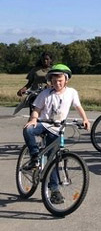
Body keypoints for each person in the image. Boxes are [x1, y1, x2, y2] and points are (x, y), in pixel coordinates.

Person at [22, 64, 90, 204]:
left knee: (52, 160)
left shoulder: (71, 92)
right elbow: (37, 109)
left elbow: (78, 106)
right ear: (50, 81)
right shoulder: (45, 93)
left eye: (60, 80)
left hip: (57, 128)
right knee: (28, 130)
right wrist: (33, 119)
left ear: (66, 80)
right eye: (54, 81)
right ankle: (34, 157)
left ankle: (54, 191)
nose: (57, 83)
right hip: (43, 124)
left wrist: (85, 119)